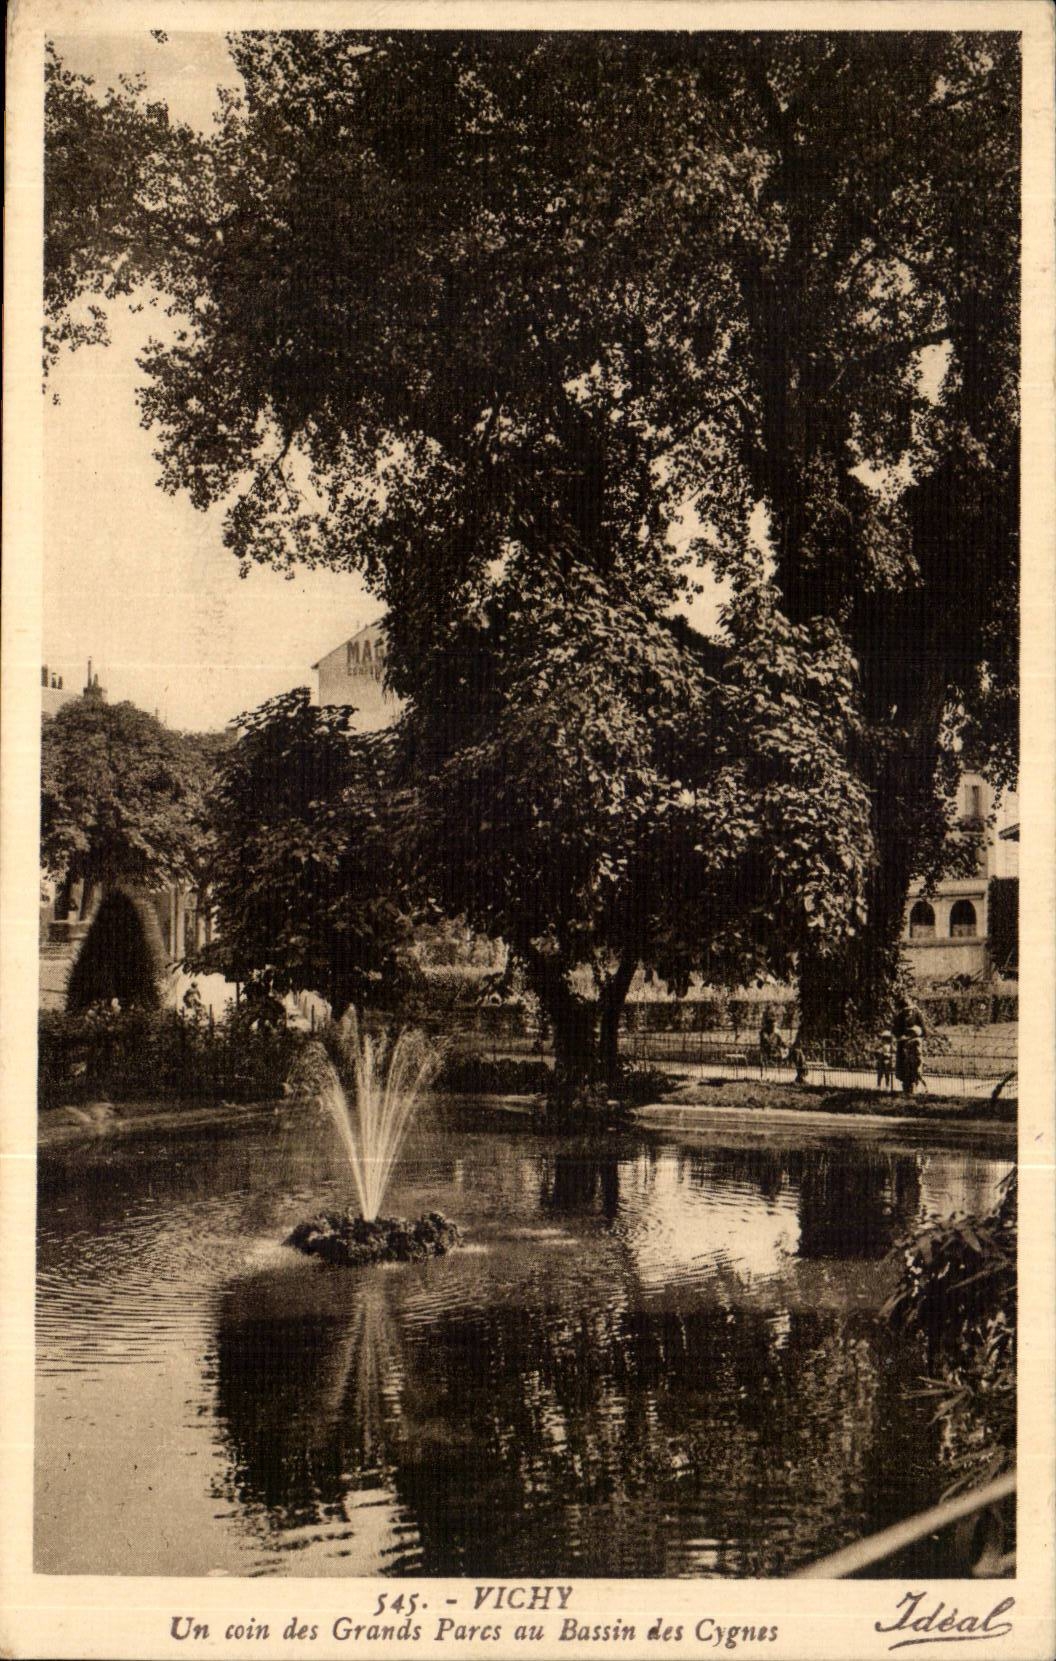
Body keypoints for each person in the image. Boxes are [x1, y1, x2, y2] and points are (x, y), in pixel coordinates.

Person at [900, 1025, 925, 1095]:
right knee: (909, 1074)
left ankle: (920, 1088)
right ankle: (909, 1089)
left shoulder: (917, 1040)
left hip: (916, 1059)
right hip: (910, 1059)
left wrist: (905, 1039)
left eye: (912, 1032)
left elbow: (911, 1043)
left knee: (916, 1074)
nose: (910, 1034)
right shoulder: (912, 1041)